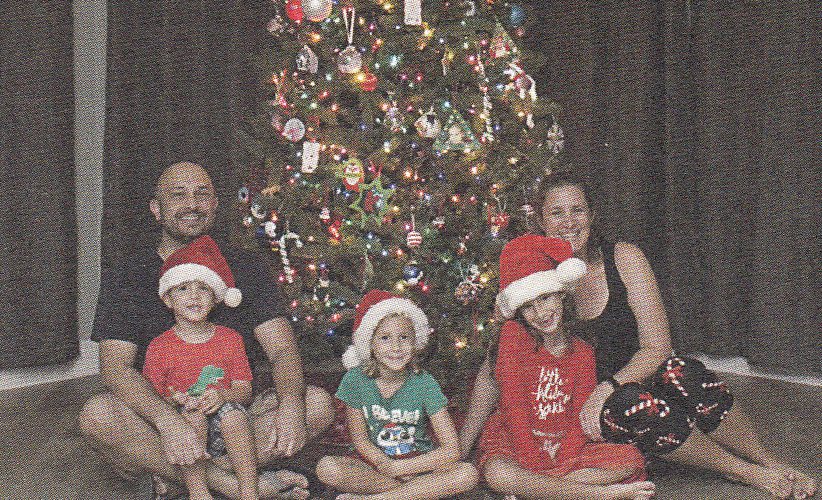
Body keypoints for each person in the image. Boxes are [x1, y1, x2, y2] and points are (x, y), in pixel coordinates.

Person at [460, 171, 818, 499]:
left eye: (577, 210)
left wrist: (609, 386)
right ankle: (743, 471)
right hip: (584, 410)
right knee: (628, 404)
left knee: (683, 371)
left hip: (622, 382)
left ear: (592, 215)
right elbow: (496, 368)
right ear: (541, 221)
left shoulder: (624, 258)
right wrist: (464, 447)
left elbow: (658, 347)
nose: (569, 222)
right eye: (557, 213)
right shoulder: (530, 279)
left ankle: (769, 461)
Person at [78, 162, 334, 499]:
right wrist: (169, 422)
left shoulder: (246, 265)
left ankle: (178, 476)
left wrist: (290, 406)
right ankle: (239, 485)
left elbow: (282, 348)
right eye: (178, 195)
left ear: (214, 205)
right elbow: (115, 368)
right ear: (156, 209)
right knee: (97, 415)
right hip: (160, 413)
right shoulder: (128, 274)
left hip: (234, 412)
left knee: (316, 405)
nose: (192, 204)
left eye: (202, 194)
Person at [480, 234, 654, 500]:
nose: (540, 313)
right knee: (498, 473)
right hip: (517, 440)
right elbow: (514, 406)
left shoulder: (583, 350)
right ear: (519, 312)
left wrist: (561, 458)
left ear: (561, 293)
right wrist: (533, 462)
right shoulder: (513, 338)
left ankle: (537, 491)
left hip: (563, 445)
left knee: (631, 459)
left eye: (545, 298)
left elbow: (579, 414)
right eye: (528, 307)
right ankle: (601, 495)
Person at [315, 290, 479, 499]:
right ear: (370, 343)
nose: (396, 347)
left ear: (415, 343)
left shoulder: (424, 382)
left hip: (419, 465)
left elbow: (451, 450)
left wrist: (402, 468)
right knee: (327, 468)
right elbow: (360, 440)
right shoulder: (355, 380)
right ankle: (413, 494)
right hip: (376, 467)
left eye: (404, 337)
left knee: (467, 474)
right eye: (385, 338)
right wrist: (385, 464)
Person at [142, 235, 259, 499]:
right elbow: (152, 400)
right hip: (183, 429)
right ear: (168, 299)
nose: (194, 296)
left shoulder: (230, 339)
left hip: (225, 425)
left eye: (203, 288)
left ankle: (249, 492)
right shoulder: (159, 347)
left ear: (216, 297)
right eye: (183, 288)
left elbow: (244, 390)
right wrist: (176, 399)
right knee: (193, 417)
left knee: (235, 415)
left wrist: (223, 395)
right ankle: (199, 492)